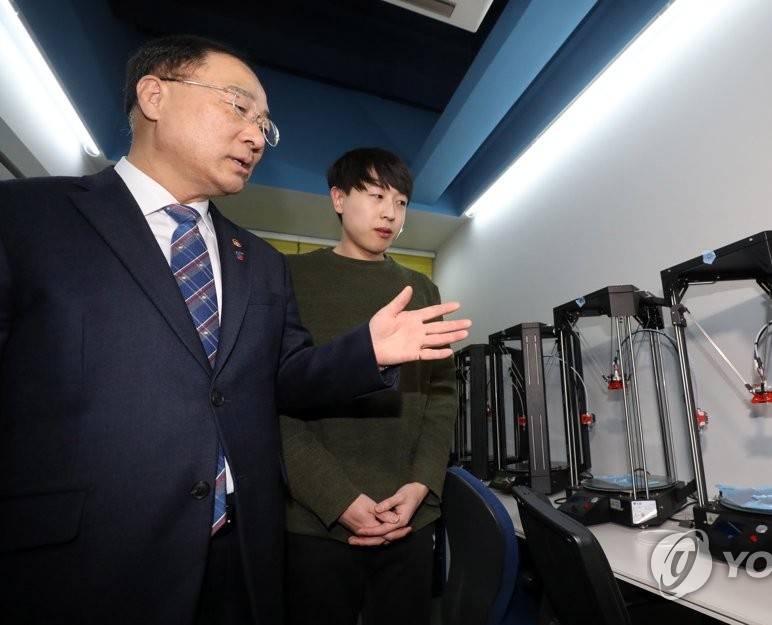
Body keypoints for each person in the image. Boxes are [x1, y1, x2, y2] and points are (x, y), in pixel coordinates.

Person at [0, 35, 469, 625]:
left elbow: (278, 383)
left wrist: (365, 353)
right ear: (155, 96)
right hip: (85, 566)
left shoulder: (259, 261)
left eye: (265, 125)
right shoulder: (25, 218)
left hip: (242, 560)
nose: (256, 136)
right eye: (239, 107)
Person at [280, 148, 454, 624]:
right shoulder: (287, 278)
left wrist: (422, 484)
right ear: (338, 198)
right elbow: (271, 400)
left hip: (409, 515)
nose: (390, 213)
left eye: (401, 202)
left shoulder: (422, 289)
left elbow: (441, 397)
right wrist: (336, 499)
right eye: (376, 196)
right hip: (314, 521)